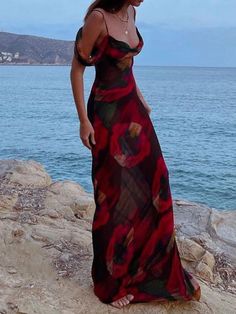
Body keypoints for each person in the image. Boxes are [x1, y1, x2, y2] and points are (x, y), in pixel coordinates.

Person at [70, 0, 201, 309]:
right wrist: (83, 121)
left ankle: (149, 270)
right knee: (114, 196)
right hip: (106, 112)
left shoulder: (132, 12)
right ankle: (109, 283)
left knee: (157, 181)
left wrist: (141, 97)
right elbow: (77, 69)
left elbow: (127, 63)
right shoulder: (97, 19)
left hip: (132, 107)